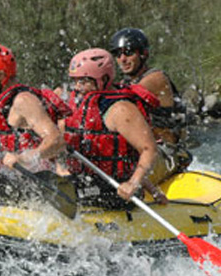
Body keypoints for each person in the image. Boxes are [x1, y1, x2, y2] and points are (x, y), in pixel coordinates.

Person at [60, 48, 164, 209]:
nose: (78, 87)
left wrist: (133, 183)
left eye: (84, 81)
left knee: (63, 190)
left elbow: (149, 149)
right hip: (89, 181)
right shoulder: (79, 104)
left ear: (104, 79)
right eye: (75, 80)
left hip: (116, 189)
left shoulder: (121, 110)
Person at [0, 43, 69, 172]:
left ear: (1, 76)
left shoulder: (23, 100)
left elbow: (56, 141)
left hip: (34, 183)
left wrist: (24, 158)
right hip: (4, 182)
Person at [109, 28, 192, 183]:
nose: (122, 59)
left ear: (143, 53)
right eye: (118, 54)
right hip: (145, 152)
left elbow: (121, 98)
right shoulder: (125, 83)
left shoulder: (156, 78)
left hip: (167, 153)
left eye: (128, 52)